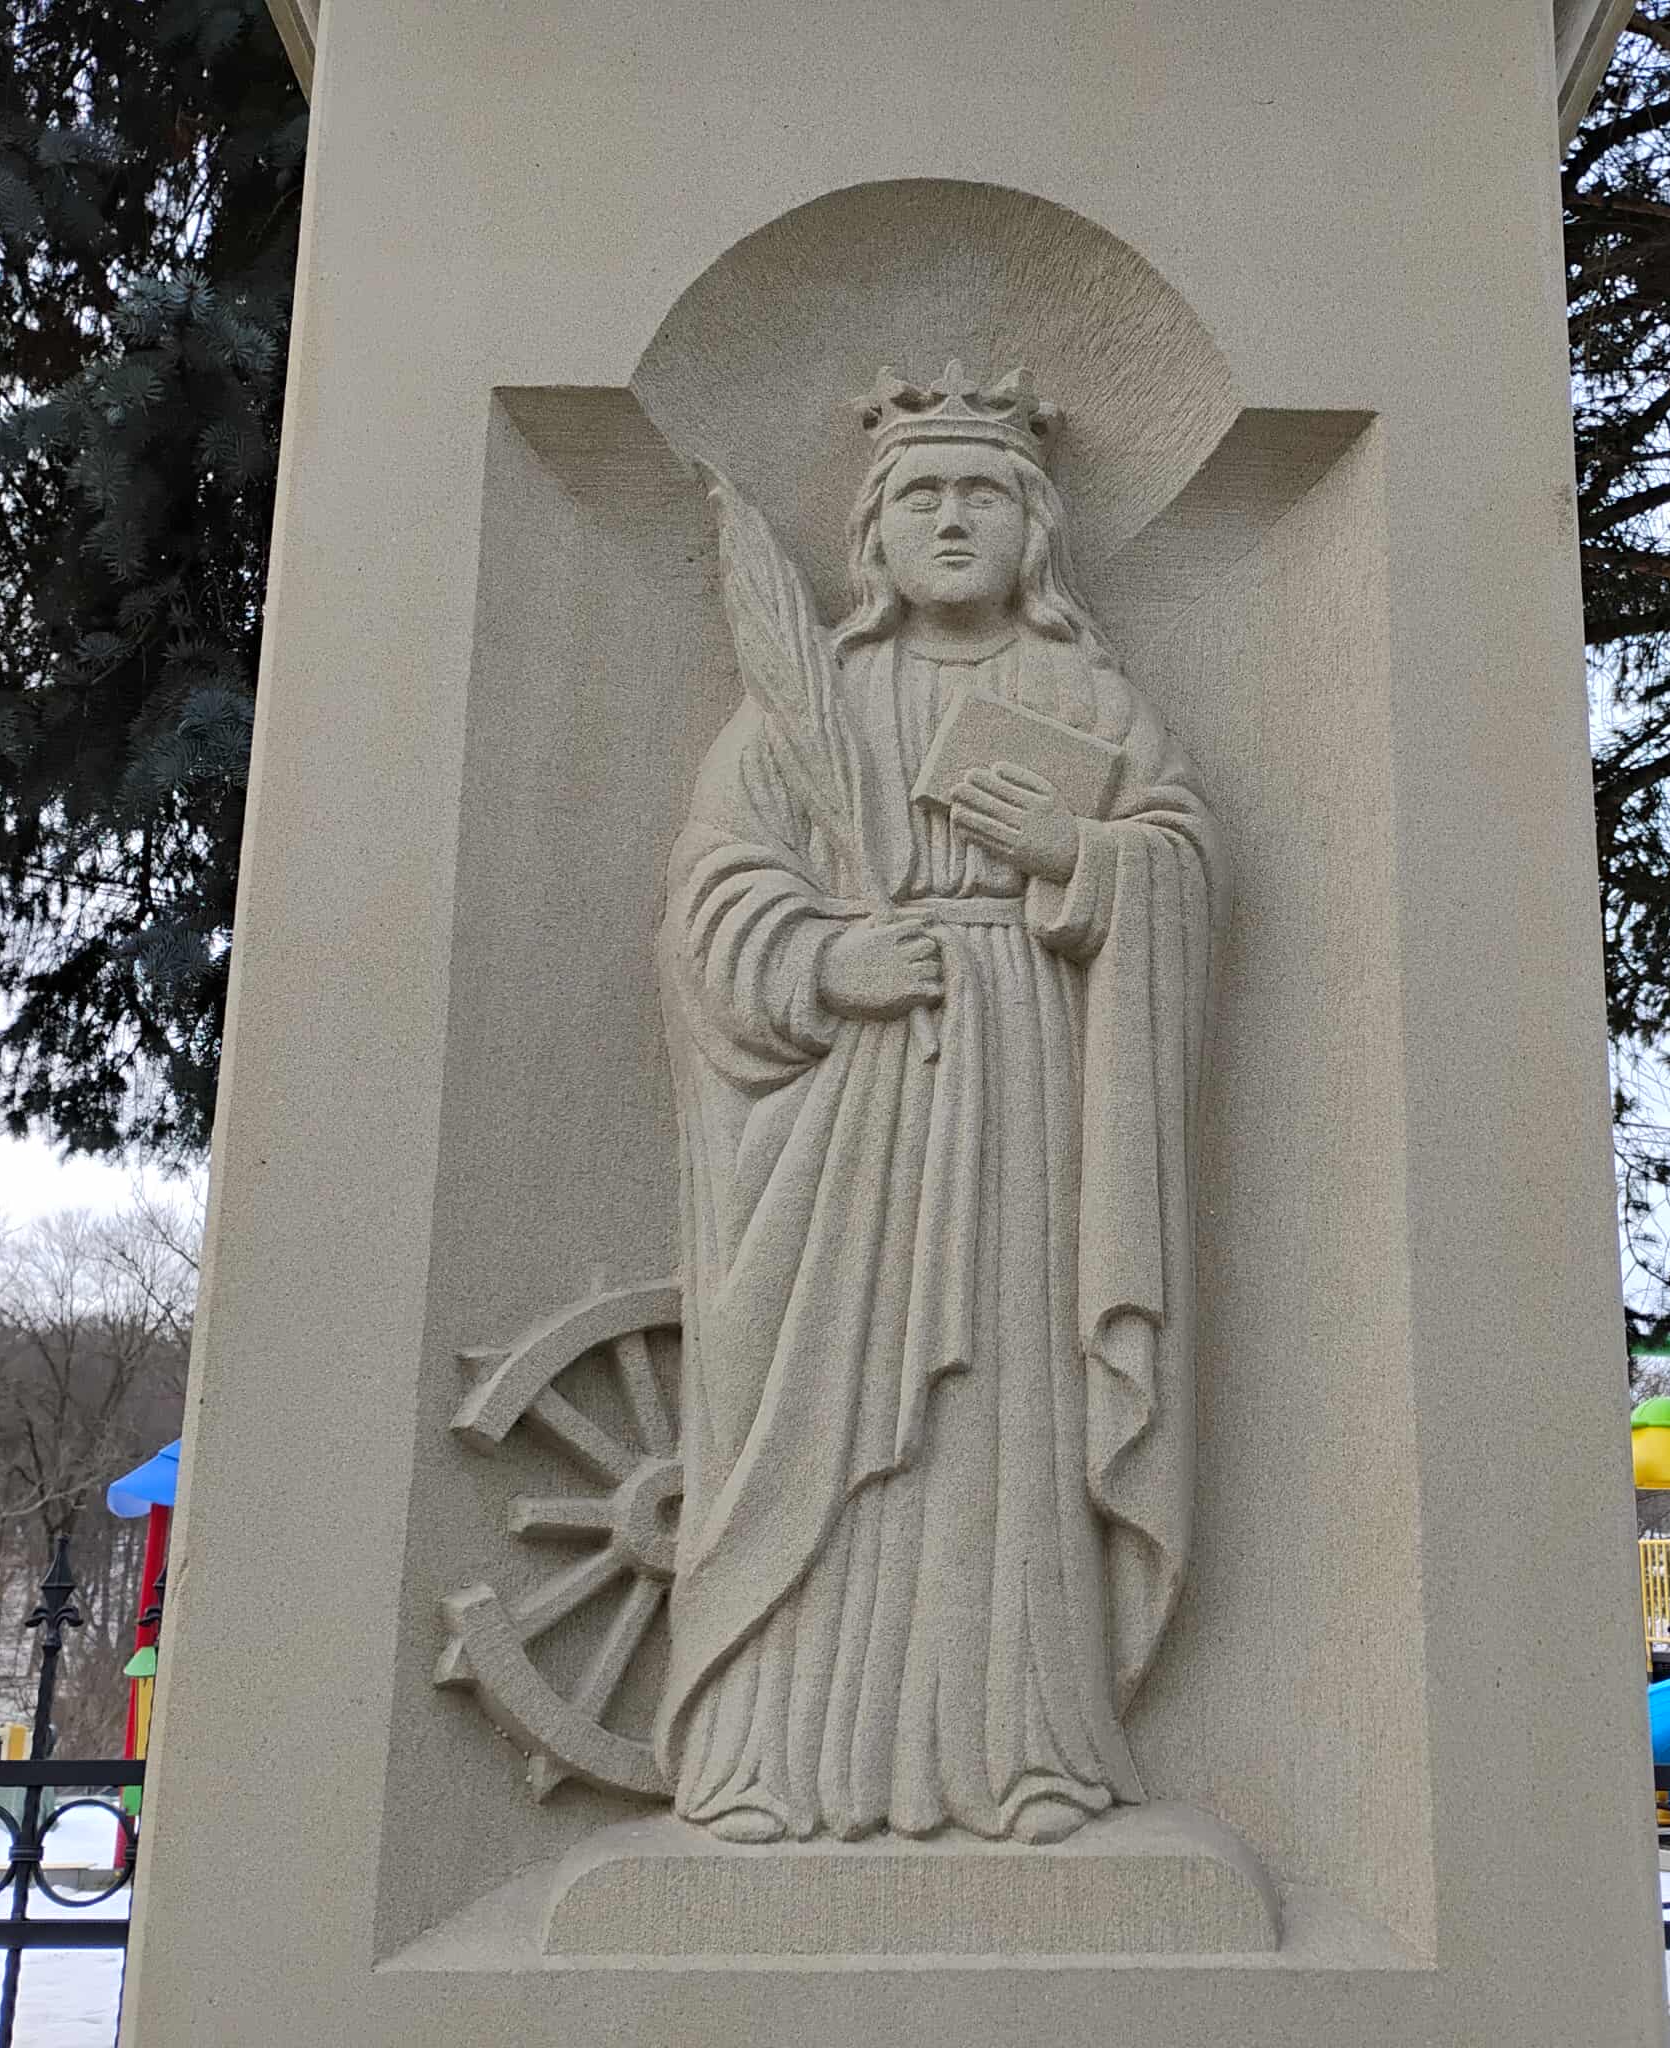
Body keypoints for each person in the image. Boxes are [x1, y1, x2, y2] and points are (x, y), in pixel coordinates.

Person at [653, 364, 1227, 1844]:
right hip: (856, 1103)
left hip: (1026, 1085)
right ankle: (772, 1758)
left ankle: (1024, 1749)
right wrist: (824, 959)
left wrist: (1078, 855)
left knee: (1005, 1407)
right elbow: (712, 898)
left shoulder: (1088, 696)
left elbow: (1182, 865)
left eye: (983, 491)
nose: (953, 518)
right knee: (826, 1402)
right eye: (921, 493)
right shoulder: (809, 708)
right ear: (875, 533)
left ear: (1033, 526)